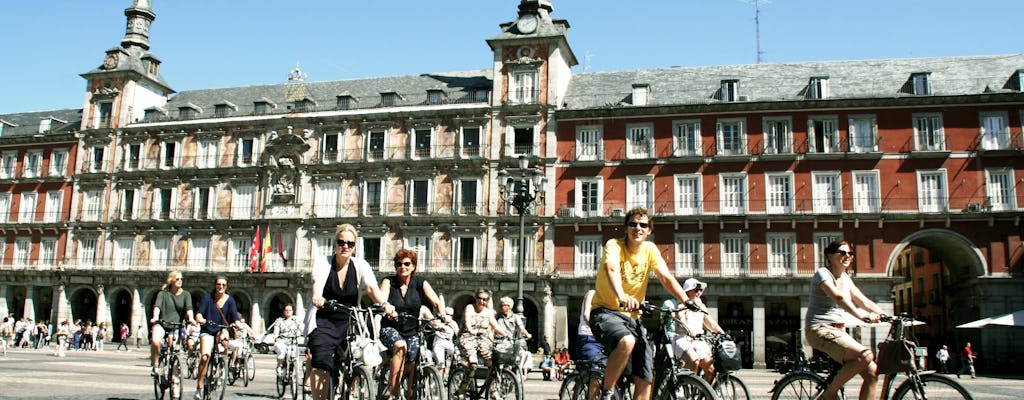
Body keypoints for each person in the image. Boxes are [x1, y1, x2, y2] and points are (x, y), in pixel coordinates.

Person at [589, 207, 691, 400]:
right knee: (627, 341)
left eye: (643, 225)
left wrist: (686, 300)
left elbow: (666, 277)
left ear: (649, 230)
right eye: (633, 224)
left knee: (645, 378)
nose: (638, 228)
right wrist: (621, 295)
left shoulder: (649, 249)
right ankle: (607, 393)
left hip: (633, 318)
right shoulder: (614, 245)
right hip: (606, 312)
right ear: (626, 227)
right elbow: (611, 269)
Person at [307, 224, 393, 400]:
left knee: (361, 357)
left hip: (350, 321)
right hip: (324, 320)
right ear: (335, 244)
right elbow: (316, 284)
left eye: (350, 243)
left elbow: (370, 287)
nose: (345, 246)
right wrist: (317, 297)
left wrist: (385, 303)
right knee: (322, 362)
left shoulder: (360, 265)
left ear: (354, 246)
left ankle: (350, 389)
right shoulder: (323, 263)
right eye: (341, 242)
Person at [805, 240, 885, 400]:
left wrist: (884, 315)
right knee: (865, 355)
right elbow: (838, 297)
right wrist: (862, 315)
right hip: (819, 329)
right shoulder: (822, 274)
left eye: (850, 253)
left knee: (872, 373)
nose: (847, 256)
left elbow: (864, 301)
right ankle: (828, 395)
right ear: (830, 255)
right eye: (842, 253)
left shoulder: (846, 278)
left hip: (838, 331)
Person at [379, 248, 445, 399]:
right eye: (399, 264)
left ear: (413, 266)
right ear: (395, 266)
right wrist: (387, 309)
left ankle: (410, 393)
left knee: (416, 355)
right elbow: (382, 300)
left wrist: (443, 316)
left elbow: (435, 301)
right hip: (390, 328)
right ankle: (394, 394)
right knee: (400, 345)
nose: (403, 267)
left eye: (407, 263)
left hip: (412, 330)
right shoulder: (388, 281)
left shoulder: (420, 282)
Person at [194, 275, 242, 400]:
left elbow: (235, 316)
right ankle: (199, 387)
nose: (220, 287)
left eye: (223, 285)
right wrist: (200, 319)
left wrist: (238, 324)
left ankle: (221, 368)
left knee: (225, 341)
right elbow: (200, 312)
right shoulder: (207, 298)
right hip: (208, 330)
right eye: (218, 284)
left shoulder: (230, 300)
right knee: (205, 358)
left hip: (222, 329)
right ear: (215, 285)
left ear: (226, 287)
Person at [670, 278, 725, 383]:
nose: (699, 292)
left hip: (698, 340)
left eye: (700, 290)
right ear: (688, 291)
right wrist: (689, 330)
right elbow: (682, 321)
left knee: (711, 369)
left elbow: (711, 323)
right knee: (693, 361)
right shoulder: (681, 306)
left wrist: (723, 334)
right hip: (683, 339)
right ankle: (686, 387)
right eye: (696, 290)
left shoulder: (701, 306)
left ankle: (703, 393)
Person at [150, 270, 195, 377]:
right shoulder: (163, 294)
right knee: (155, 341)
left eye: (181, 279)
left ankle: (172, 373)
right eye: (177, 279)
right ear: (171, 280)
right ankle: (155, 365)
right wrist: (155, 317)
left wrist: (191, 318)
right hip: (161, 323)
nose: (180, 281)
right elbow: (157, 306)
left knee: (173, 346)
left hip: (175, 326)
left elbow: (189, 308)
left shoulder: (186, 294)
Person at [458, 288, 510, 367]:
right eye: (479, 298)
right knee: (473, 363)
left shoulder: (487, 312)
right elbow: (467, 320)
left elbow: (495, 326)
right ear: (476, 298)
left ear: (487, 301)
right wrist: (470, 330)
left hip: (483, 340)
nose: (481, 301)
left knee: (492, 361)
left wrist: (506, 335)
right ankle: (467, 379)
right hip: (467, 338)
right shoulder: (470, 308)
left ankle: (491, 378)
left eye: (484, 299)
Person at [495, 296, 533, 377]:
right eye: (501, 305)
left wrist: (527, 334)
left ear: (509, 306)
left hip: (510, 342)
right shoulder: (498, 317)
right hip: (499, 342)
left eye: (504, 305)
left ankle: (519, 372)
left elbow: (521, 327)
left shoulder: (516, 317)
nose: (501, 307)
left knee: (522, 353)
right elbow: (493, 327)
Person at [272, 304, 302, 377]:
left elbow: (301, 329)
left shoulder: (296, 320)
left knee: (295, 357)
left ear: (292, 311)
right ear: (284, 311)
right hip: (282, 341)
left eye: (290, 310)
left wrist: (300, 333)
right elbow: (276, 329)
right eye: (286, 310)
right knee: (281, 354)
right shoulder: (279, 320)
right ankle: (279, 366)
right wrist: (276, 335)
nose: (288, 311)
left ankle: (294, 377)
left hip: (293, 341)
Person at [431, 307, 459, 378]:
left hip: (449, 343)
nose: (449, 316)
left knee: (454, 355)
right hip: (439, 342)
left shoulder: (454, 323)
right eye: (447, 314)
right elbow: (435, 331)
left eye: (451, 315)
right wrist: (441, 336)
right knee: (441, 364)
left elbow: (458, 333)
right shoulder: (439, 321)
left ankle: (449, 376)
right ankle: (439, 381)